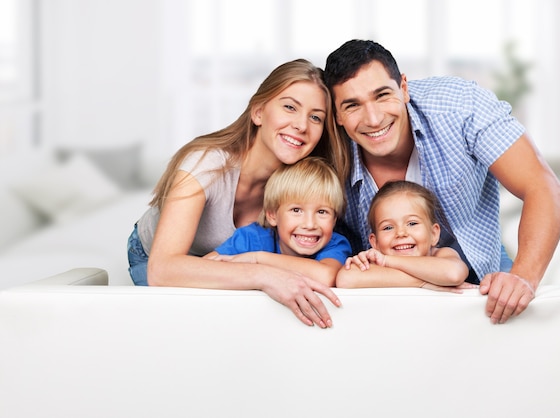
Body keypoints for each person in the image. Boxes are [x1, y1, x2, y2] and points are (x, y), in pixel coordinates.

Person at [324, 40, 560, 324]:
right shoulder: (326, 147)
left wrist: (524, 278)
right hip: (383, 284)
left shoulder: (459, 106)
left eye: (382, 95)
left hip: (478, 269)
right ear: (337, 114)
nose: (374, 118)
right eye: (353, 105)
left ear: (404, 87)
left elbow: (544, 187)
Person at [127, 58, 350, 328]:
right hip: (156, 257)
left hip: (230, 260)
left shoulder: (300, 184)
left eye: (315, 117)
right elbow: (162, 270)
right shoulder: (207, 164)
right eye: (290, 107)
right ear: (258, 112)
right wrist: (264, 275)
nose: (302, 125)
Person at [206, 156, 351, 287]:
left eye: (322, 212)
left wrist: (257, 259)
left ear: (334, 220)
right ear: (272, 215)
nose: (309, 224)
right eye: (296, 210)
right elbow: (204, 267)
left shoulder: (335, 244)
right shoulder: (252, 238)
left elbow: (325, 276)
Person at [336, 180, 470, 290]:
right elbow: (345, 279)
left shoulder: (441, 255)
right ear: (374, 242)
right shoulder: (374, 261)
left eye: (412, 223)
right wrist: (425, 282)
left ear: (433, 234)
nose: (400, 233)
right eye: (388, 227)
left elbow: (453, 274)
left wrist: (387, 261)